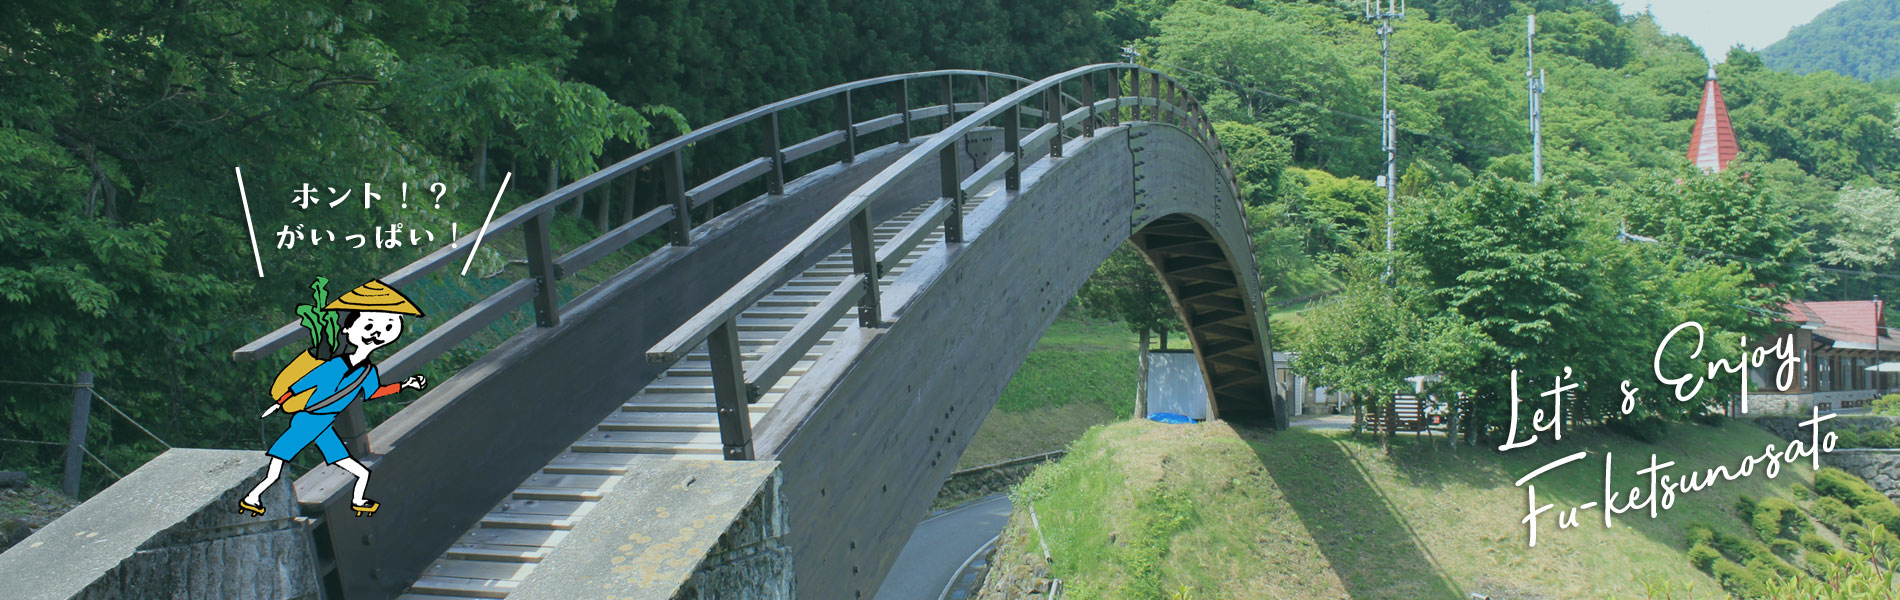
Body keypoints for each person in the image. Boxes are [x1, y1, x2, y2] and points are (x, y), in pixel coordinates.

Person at [239, 280, 427, 517]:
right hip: (308, 420)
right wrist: (278, 403)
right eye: (369, 326)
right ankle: (252, 497)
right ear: (348, 329)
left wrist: (404, 385)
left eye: (389, 327)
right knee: (276, 468)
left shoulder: (367, 372)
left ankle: (358, 501)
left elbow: (374, 392)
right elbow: (300, 385)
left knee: (361, 472)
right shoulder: (334, 365)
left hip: (324, 424)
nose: (378, 334)